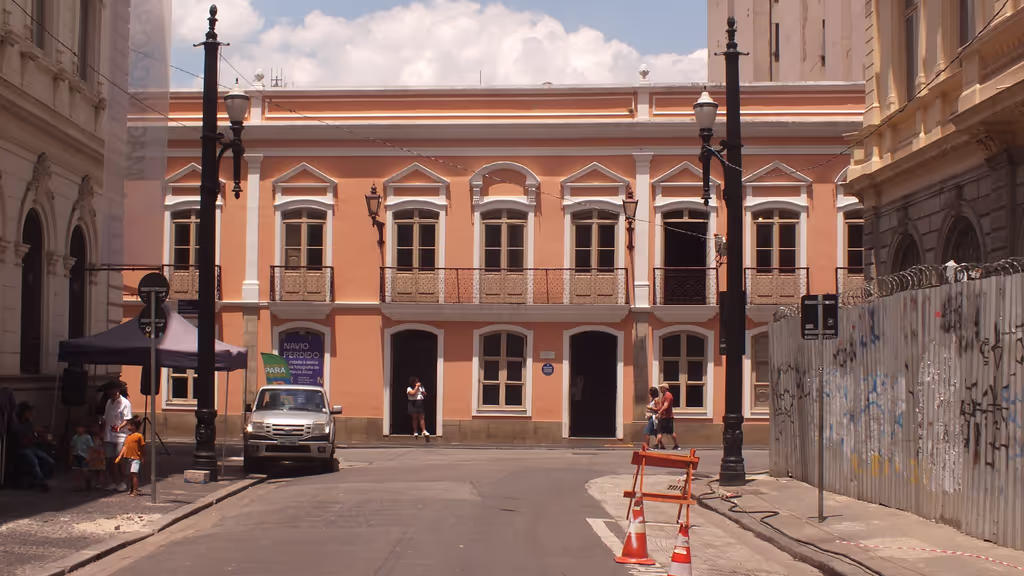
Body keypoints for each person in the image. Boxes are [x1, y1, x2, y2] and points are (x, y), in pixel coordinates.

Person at [13, 402, 54, 491]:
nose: (31, 413)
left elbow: (33, 433)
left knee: (48, 461)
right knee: (33, 462)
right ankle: (42, 482)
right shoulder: (17, 424)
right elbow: (21, 439)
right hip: (22, 449)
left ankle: (40, 479)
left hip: (31, 447)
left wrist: (40, 436)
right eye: (28, 411)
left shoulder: (29, 423)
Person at [102, 381, 132, 491]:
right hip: (109, 435)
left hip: (121, 435)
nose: (111, 393)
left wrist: (120, 427)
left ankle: (123, 481)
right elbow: (106, 418)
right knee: (110, 460)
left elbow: (128, 419)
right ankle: (114, 481)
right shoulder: (109, 402)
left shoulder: (125, 403)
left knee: (120, 460)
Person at [115, 418, 145, 497]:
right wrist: (120, 456)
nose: (128, 427)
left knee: (134, 474)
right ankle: (131, 488)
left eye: (129, 425)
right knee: (129, 475)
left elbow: (142, 447)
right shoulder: (128, 436)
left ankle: (135, 490)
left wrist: (142, 457)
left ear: (134, 426)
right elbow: (125, 446)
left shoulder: (139, 436)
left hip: (136, 457)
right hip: (128, 457)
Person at [656, 383, 681, 451]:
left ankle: (657, 445)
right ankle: (658, 445)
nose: (660, 389)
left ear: (664, 388)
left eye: (661, 388)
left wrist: (659, 413)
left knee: (666, 432)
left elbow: (665, 406)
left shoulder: (668, 396)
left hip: (667, 417)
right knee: (662, 432)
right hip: (664, 417)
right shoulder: (665, 396)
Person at [70, 425, 94, 490]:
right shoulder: (75, 437)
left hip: (84, 455)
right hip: (76, 454)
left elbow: (90, 447)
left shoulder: (87, 437)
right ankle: (78, 485)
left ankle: (88, 482)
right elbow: (72, 446)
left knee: (85, 470)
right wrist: (71, 455)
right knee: (76, 470)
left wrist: (89, 456)